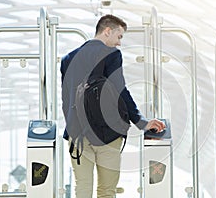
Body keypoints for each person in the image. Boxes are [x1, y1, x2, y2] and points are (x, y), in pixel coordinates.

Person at [60, 14, 166, 198]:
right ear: (107, 31)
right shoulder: (111, 54)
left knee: (82, 188)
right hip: (107, 133)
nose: (119, 43)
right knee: (107, 191)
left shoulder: (68, 58)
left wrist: (73, 125)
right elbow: (120, 90)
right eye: (119, 36)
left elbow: (66, 100)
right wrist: (141, 122)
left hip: (77, 135)